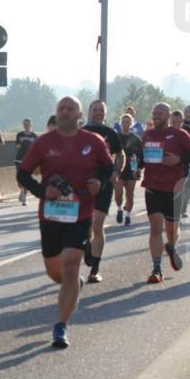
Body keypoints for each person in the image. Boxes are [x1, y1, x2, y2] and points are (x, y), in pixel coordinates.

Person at [17, 97, 113, 348]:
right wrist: (41, 191)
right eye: (61, 108)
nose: (65, 112)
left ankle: (61, 325)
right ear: (56, 114)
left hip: (80, 213)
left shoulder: (93, 142)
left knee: (71, 264)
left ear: (80, 114)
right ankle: (74, 284)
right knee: (55, 271)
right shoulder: (43, 143)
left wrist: (100, 183)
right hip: (50, 214)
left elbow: (107, 168)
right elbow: (22, 173)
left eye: (70, 108)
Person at [140, 103, 190, 284]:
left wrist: (179, 159)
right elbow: (144, 157)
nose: (156, 116)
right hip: (153, 187)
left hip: (174, 188)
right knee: (155, 228)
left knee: (172, 229)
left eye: (160, 113)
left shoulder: (179, 134)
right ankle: (156, 268)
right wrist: (138, 168)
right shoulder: (147, 135)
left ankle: (172, 246)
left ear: (168, 116)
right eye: (154, 113)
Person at [82, 100, 125, 283]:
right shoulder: (80, 133)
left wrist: (116, 171)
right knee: (85, 227)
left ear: (105, 114)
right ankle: (86, 247)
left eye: (101, 110)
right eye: (95, 110)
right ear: (88, 112)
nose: (98, 113)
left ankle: (95, 269)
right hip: (82, 184)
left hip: (104, 184)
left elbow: (121, 154)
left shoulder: (110, 133)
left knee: (97, 224)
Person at [114, 114, 144, 227]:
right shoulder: (116, 137)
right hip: (118, 169)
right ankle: (119, 209)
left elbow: (141, 156)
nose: (125, 124)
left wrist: (139, 168)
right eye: (123, 122)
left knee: (130, 194)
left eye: (128, 122)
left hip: (131, 169)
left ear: (131, 123)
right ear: (120, 123)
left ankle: (128, 216)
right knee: (118, 194)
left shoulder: (136, 139)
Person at [14, 118, 38, 205]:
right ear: (23, 125)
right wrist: (23, 144)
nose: (26, 126)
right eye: (25, 124)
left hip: (29, 160)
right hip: (19, 159)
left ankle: (24, 196)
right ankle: (21, 190)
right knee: (19, 180)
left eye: (28, 124)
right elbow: (17, 146)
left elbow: (36, 148)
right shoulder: (19, 135)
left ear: (31, 125)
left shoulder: (34, 136)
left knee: (26, 178)